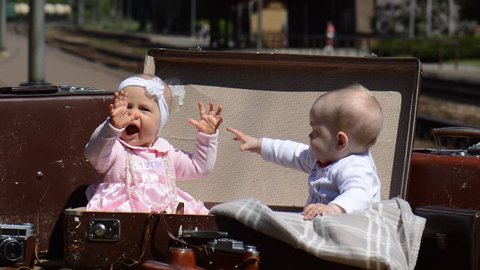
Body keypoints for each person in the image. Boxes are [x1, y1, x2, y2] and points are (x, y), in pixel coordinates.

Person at [227, 84, 383, 220]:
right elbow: (293, 153)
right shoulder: (326, 156)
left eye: (316, 131)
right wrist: (259, 145)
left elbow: (359, 196)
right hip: (323, 223)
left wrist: (334, 209)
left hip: (350, 231)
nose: (310, 135)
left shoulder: (356, 168)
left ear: (340, 141)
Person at [85, 73, 223, 214]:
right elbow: (93, 154)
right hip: (122, 212)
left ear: (160, 122)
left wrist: (207, 138)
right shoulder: (115, 149)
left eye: (144, 109)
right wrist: (112, 127)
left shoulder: (166, 153)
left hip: (165, 215)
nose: (133, 113)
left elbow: (199, 168)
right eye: (127, 107)